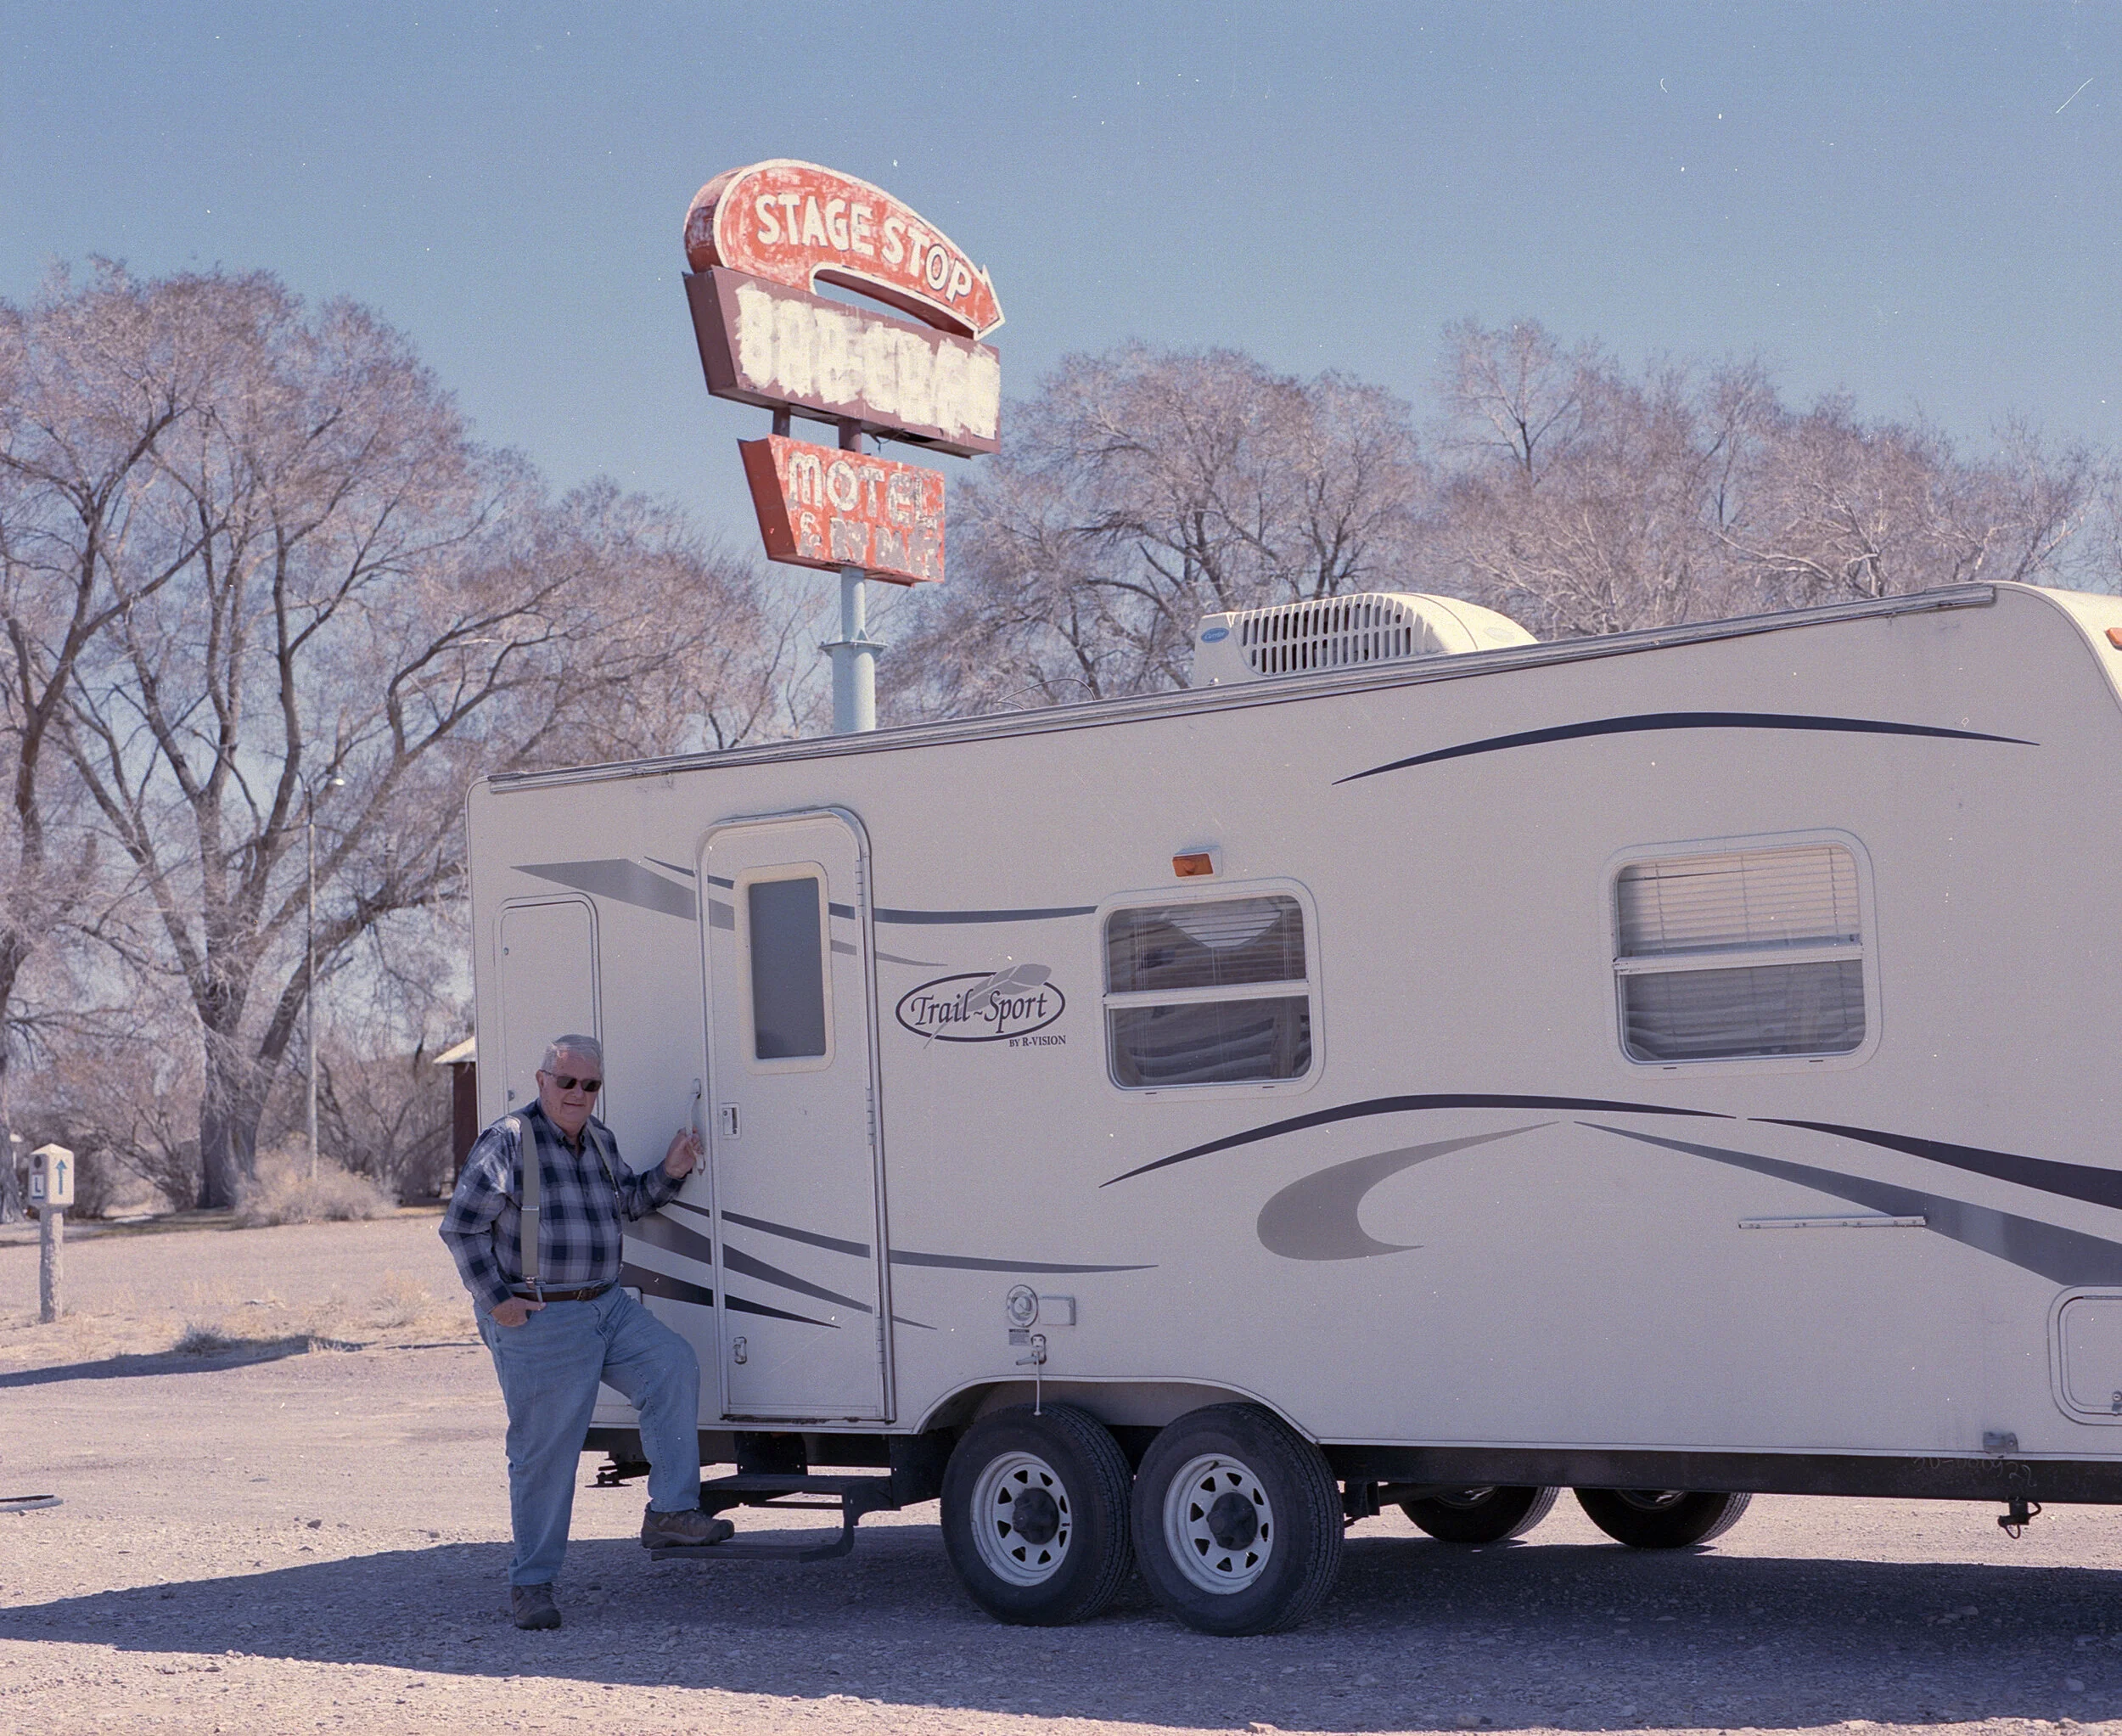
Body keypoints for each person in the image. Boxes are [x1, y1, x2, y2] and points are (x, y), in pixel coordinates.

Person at [440, 1032, 731, 1630]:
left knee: (672, 1364)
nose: (578, 1093)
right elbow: (461, 1228)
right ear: (543, 1079)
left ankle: (671, 1511)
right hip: (543, 1317)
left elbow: (625, 1202)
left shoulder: (598, 1140)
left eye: (589, 1084)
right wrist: (499, 1303)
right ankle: (532, 1584)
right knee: (546, 1453)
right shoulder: (509, 1141)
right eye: (566, 1081)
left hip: (607, 1305)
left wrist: (670, 1173)